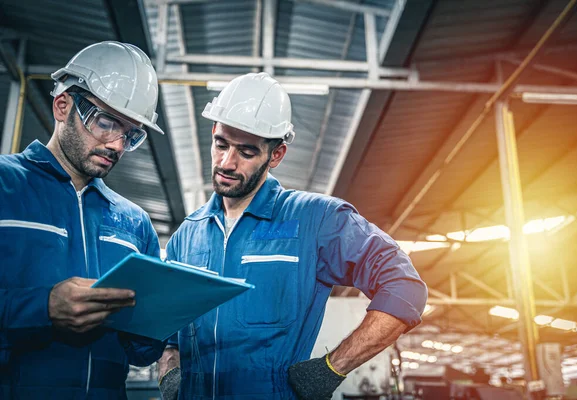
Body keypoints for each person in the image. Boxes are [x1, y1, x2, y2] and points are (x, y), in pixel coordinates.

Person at [158, 72, 428, 400]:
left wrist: (332, 367)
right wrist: (169, 366)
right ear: (213, 133)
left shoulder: (315, 220)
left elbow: (404, 287)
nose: (227, 162)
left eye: (246, 151)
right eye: (221, 144)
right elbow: (169, 324)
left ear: (276, 154)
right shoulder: (187, 236)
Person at [0, 41, 167, 399]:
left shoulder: (135, 223)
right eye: (106, 122)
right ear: (62, 106)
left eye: (131, 134)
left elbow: (143, 352)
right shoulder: (4, 185)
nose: (117, 145)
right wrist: (41, 308)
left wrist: (163, 318)